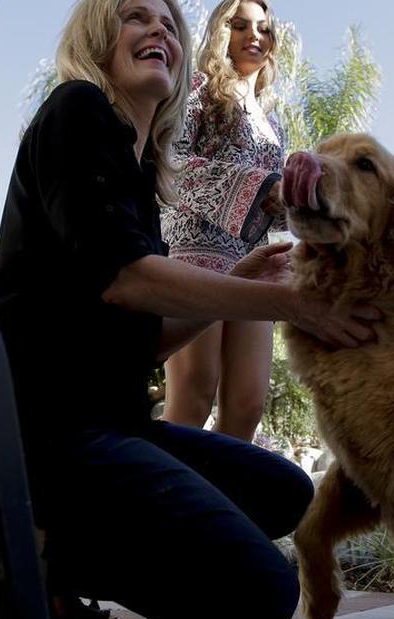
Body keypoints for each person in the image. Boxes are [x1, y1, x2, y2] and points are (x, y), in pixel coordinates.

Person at [0, 1, 378, 619]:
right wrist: (292, 303)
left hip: (106, 422)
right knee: (264, 594)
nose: (158, 29)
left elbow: (141, 341)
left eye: (168, 25)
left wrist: (236, 282)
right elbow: (126, 277)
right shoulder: (78, 110)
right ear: (99, 41)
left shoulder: (139, 173)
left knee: (284, 491)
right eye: (134, 16)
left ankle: (20, 542)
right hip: (36, 424)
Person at [160, 0, 288, 442]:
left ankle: (225, 506)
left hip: (255, 262)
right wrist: (255, 189)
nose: (254, 34)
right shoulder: (199, 91)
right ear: (221, 32)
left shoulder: (275, 124)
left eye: (263, 27)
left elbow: (276, 201)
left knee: (248, 403)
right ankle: (157, 506)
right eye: (240, 25)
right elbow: (170, 160)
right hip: (197, 248)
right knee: (195, 389)